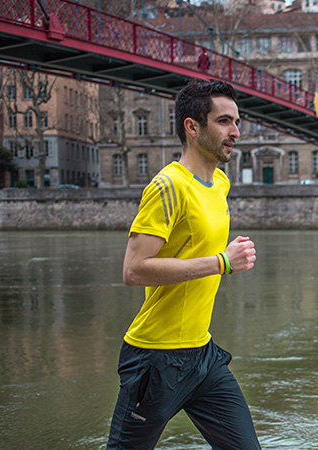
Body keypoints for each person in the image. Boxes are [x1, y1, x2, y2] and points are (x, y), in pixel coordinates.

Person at [106, 79, 261, 450]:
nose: (235, 132)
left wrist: (220, 256)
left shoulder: (219, 183)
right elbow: (134, 270)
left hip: (203, 357)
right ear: (192, 127)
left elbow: (192, 247)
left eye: (237, 122)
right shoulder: (168, 186)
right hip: (155, 359)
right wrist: (222, 261)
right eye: (224, 122)